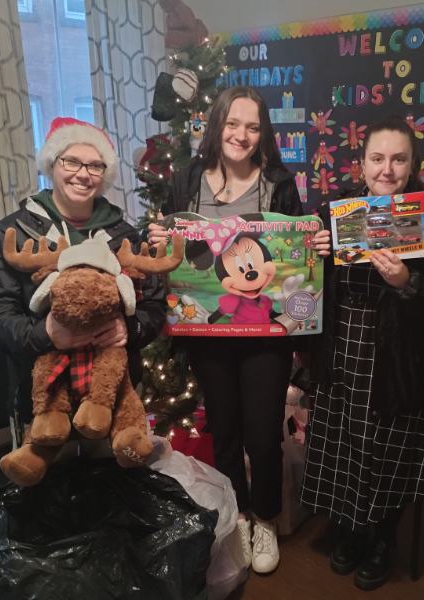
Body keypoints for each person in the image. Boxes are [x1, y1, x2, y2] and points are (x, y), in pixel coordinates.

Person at [300, 114, 424, 591]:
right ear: (362, 162)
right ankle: (351, 529)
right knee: (344, 445)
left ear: (411, 164)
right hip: (342, 350)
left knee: (387, 451)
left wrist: (406, 283)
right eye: (377, 158)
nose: (386, 169)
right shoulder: (334, 213)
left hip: (397, 360)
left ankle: (384, 539)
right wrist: (317, 253)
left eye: (398, 159)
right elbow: (304, 288)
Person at [147, 86, 302, 574]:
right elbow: (173, 253)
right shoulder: (189, 178)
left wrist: (310, 240)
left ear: (264, 134)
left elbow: (296, 253)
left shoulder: (278, 182)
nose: (242, 135)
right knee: (227, 433)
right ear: (216, 125)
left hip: (265, 335)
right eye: (233, 124)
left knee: (263, 435)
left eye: (253, 127)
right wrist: (159, 239)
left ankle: (266, 520)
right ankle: (236, 518)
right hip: (208, 335)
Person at [0, 117, 167, 444]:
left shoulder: (125, 236)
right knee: (45, 487)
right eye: (71, 161)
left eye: (95, 166)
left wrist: (130, 330)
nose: (83, 174)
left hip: (115, 398)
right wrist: (44, 334)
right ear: (52, 164)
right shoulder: (13, 234)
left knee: (119, 485)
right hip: (43, 399)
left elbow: (154, 304)